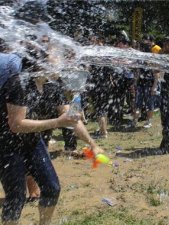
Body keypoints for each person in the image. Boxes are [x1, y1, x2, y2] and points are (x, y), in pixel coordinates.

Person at [0, 46, 104, 225]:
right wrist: (57, 122)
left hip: (33, 141)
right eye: (56, 58)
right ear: (41, 63)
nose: (61, 63)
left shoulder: (52, 87)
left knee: (52, 188)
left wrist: (93, 144)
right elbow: (16, 125)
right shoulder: (18, 83)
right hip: (7, 145)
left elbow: (71, 119)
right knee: (16, 197)